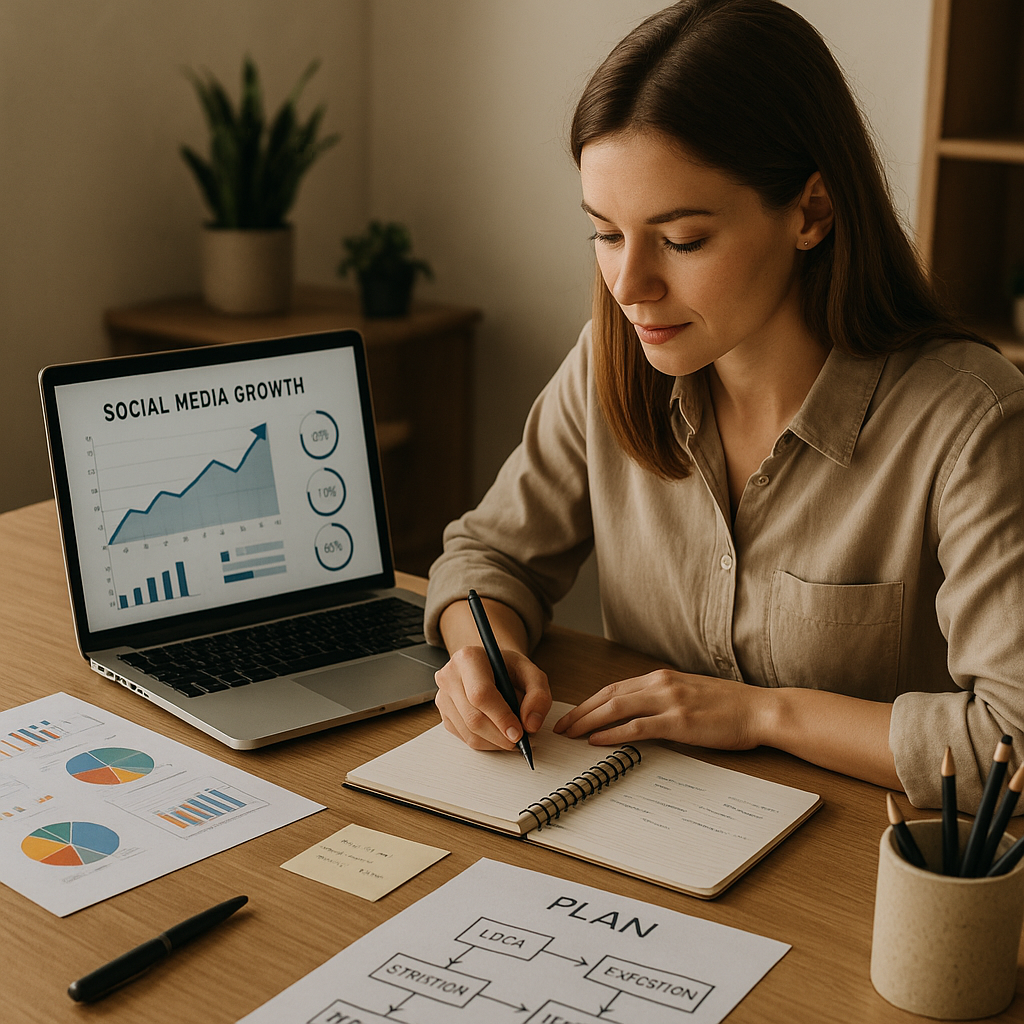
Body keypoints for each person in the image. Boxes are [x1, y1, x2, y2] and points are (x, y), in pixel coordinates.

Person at [424, 0, 1024, 813]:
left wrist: (762, 713)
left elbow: (1013, 744)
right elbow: (487, 557)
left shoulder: (973, 423)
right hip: (640, 826)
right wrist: (479, 651)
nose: (629, 287)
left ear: (811, 212)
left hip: (865, 870)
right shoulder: (610, 363)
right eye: (605, 233)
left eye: (682, 240)